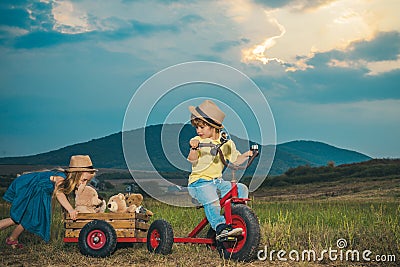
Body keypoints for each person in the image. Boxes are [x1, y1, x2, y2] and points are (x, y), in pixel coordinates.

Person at [187, 100, 253, 241]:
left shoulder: (226, 143)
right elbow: (192, 160)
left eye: (202, 127)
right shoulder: (198, 140)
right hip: (199, 182)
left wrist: (247, 155)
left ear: (213, 127)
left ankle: (236, 218)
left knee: (241, 189)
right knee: (212, 200)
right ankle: (221, 226)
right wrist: (194, 148)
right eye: (197, 127)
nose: (199, 131)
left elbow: (235, 160)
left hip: (218, 182)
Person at [0, 155, 98, 249]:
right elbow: (59, 193)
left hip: (38, 192)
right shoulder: (61, 178)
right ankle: (12, 238)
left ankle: (12, 239)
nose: (84, 184)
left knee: (29, 217)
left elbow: (64, 197)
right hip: (29, 188)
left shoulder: (68, 181)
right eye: (83, 180)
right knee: (17, 217)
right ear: (76, 174)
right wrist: (70, 210)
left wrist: (67, 211)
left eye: (87, 182)